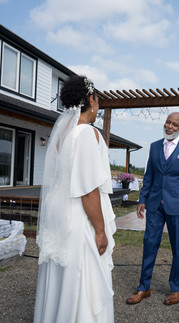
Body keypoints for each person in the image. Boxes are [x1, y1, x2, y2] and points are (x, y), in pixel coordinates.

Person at [34, 75, 116, 322]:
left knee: (62, 272)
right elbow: (88, 190)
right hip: (81, 219)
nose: (98, 105)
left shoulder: (62, 135)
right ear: (91, 100)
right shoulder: (88, 134)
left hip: (60, 215)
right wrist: (100, 231)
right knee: (82, 273)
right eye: (98, 99)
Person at [126, 112, 179, 306]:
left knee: (178, 247)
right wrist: (142, 199)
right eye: (168, 122)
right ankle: (144, 287)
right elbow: (149, 175)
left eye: (175, 125)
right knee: (149, 244)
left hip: (178, 206)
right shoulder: (154, 146)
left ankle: (177, 288)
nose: (170, 126)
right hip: (154, 204)